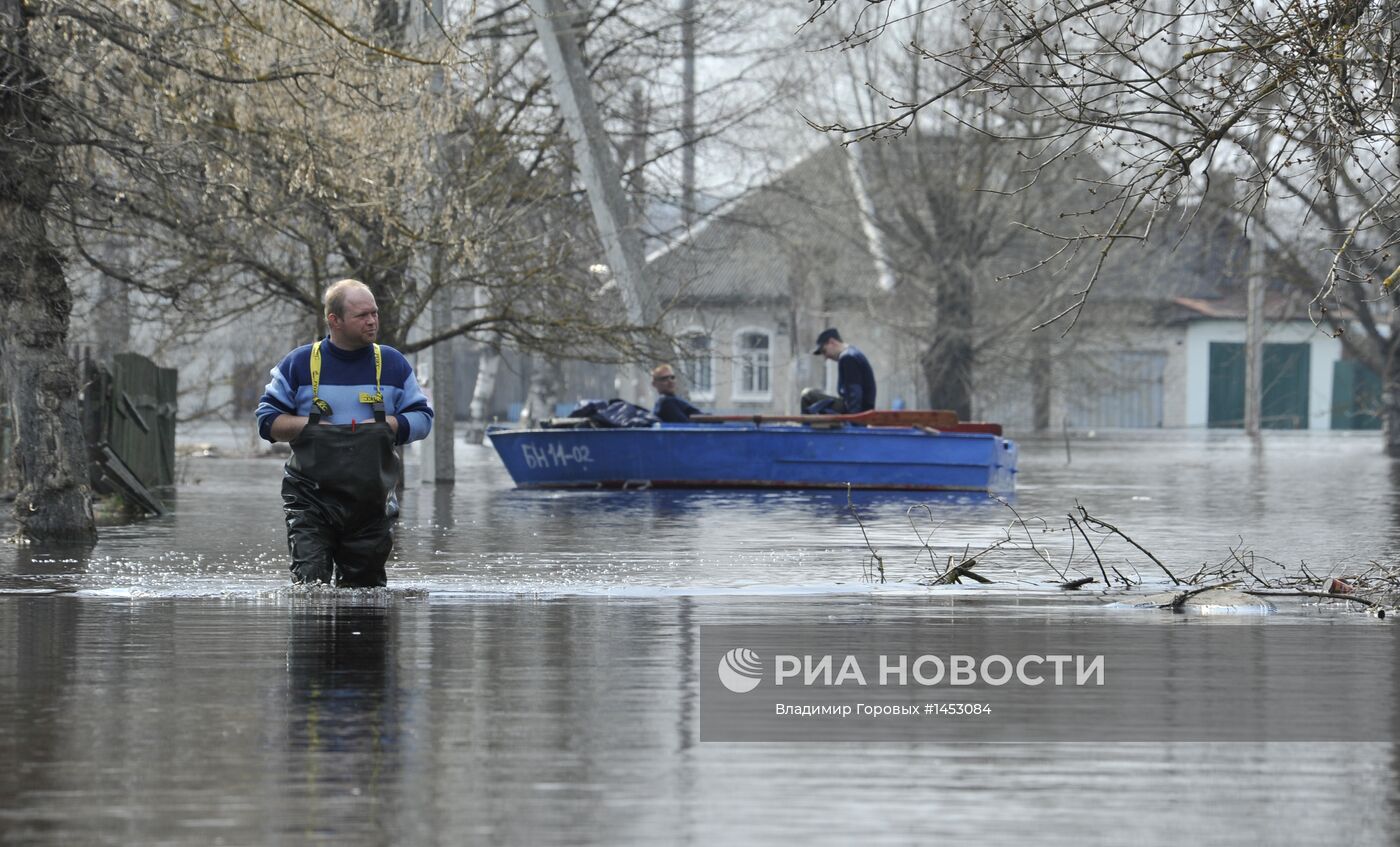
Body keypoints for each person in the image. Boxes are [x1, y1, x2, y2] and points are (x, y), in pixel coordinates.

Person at [255, 279, 434, 587]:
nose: (372, 321)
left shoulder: (392, 363)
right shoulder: (298, 364)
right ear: (334, 321)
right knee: (310, 586)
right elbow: (266, 422)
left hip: (371, 503)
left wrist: (389, 425)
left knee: (366, 594)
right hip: (310, 499)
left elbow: (423, 419)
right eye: (362, 315)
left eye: (374, 313)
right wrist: (310, 425)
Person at [801, 327, 877, 414]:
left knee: (807, 395)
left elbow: (855, 394)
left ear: (832, 342)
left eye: (824, 351)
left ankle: (806, 427)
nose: (826, 357)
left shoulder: (847, 357)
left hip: (858, 412)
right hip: (860, 409)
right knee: (816, 394)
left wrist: (853, 421)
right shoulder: (852, 353)